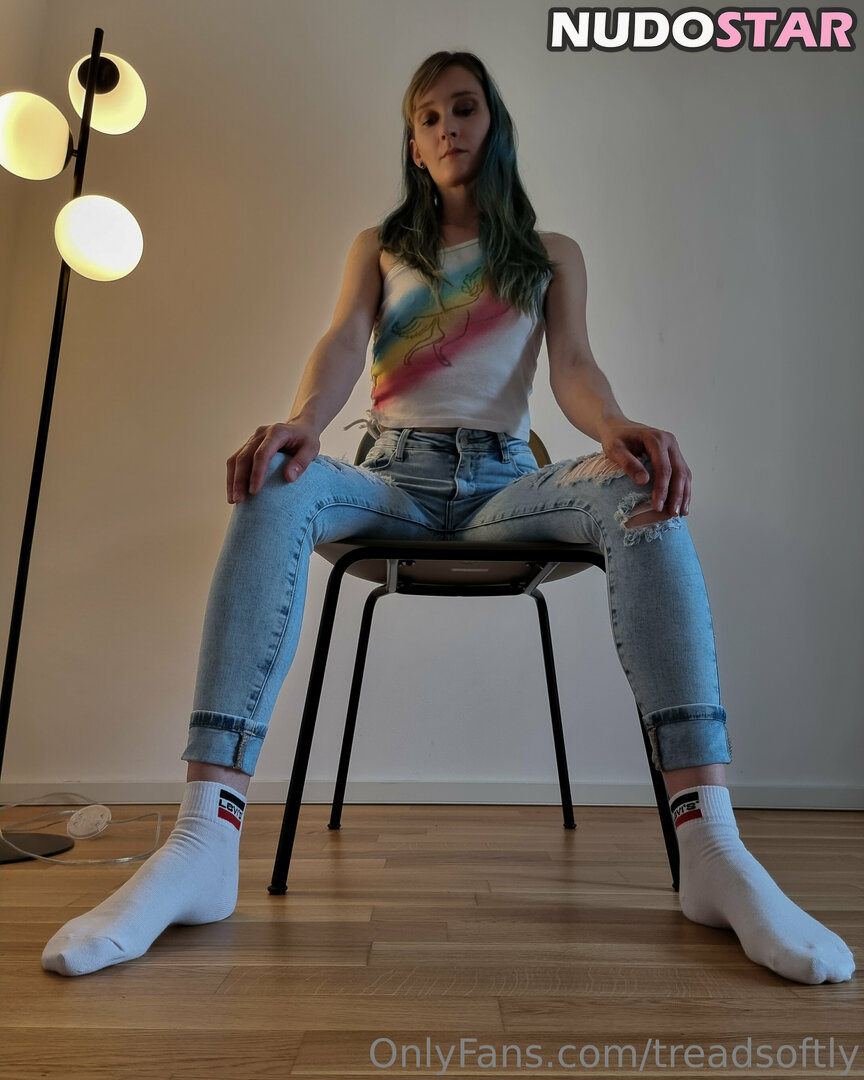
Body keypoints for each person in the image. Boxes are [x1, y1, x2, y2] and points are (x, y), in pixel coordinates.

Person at [42, 51, 854, 984]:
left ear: (492, 122)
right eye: (426, 118)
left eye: (462, 108)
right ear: (413, 145)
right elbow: (342, 342)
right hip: (392, 479)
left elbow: (573, 369)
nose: (445, 128)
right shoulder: (380, 246)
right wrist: (303, 424)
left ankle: (711, 844)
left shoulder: (551, 253)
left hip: (506, 488)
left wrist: (616, 426)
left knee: (642, 494)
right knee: (274, 479)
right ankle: (202, 840)